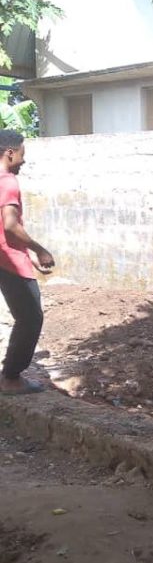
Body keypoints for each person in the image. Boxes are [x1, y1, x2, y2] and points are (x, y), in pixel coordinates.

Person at [0, 129, 55, 395]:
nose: (23, 160)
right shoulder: (8, 181)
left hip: (4, 257)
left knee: (26, 316)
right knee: (31, 318)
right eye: (22, 154)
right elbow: (10, 225)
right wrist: (39, 249)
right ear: (10, 153)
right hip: (9, 260)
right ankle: (11, 378)